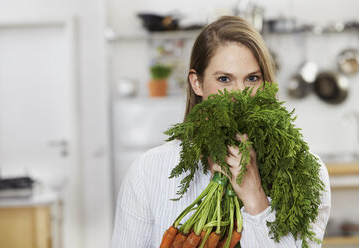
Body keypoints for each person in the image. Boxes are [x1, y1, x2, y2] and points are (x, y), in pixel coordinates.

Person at [111, 16, 331, 247]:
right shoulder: (148, 172)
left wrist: (255, 197)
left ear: (266, 83)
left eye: (252, 78)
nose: (240, 94)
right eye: (224, 79)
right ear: (197, 83)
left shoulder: (307, 173)